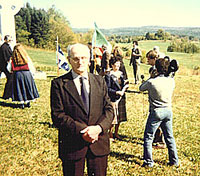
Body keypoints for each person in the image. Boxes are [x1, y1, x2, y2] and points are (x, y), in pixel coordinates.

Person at [50, 43, 114, 176]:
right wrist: (83, 131)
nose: (80, 62)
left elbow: (109, 109)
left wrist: (98, 128)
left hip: (99, 143)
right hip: (73, 145)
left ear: (89, 59)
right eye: (76, 58)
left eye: (84, 58)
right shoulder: (59, 84)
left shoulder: (99, 81)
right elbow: (57, 115)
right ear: (69, 59)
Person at [139, 58, 179, 168]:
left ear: (156, 68)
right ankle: (174, 160)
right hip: (168, 110)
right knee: (169, 137)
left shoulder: (152, 82)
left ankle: (148, 162)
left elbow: (141, 88)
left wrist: (151, 77)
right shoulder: (171, 81)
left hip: (156, 111)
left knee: (148, 137)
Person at [104, 56, 129, 140]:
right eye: (116, 65)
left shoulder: (121, 74)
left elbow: (125, 83)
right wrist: (116, 92)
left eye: (119, 65)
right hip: (113, 98)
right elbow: (107, 88)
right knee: (113, 117)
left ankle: (116, 132)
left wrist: (126, 86)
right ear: (112, 65)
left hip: (121, 98)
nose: (117, 67)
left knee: (120, 116)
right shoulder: (108, 75)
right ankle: (110, 133)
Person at [146, 50, 166, 149]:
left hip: (158, 101)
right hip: (154, 99)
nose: (147, 61)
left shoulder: (157, 70)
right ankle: (156, 138)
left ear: (154, 59)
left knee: (159, 122)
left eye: (149, 59)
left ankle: (160, 140)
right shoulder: (155, 68)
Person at [11, 43, 39, 108]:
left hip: (17, 74)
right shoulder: (26, 57)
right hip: (26, 74)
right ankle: (28, 102)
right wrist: (33, 73)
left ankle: (22, 103)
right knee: (27, 87)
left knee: (19, 88)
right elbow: (31, 66)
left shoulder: (12, 59)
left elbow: (9, 68)